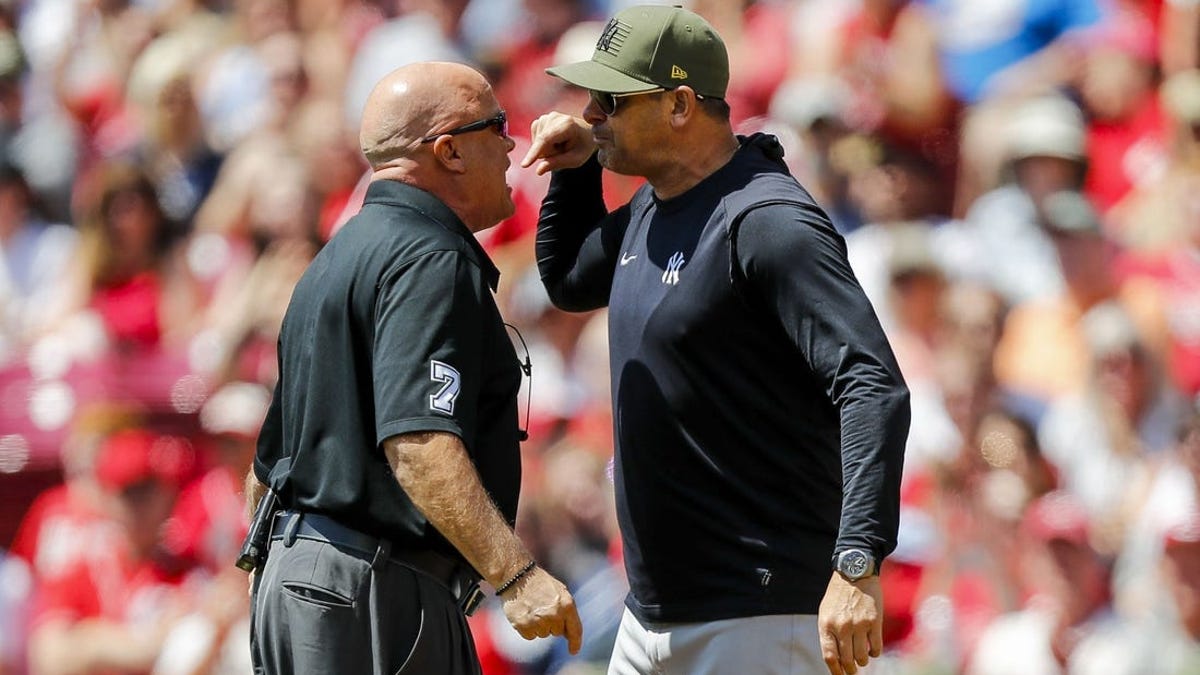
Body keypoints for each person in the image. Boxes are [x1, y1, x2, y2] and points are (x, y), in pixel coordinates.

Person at [521, 6, 910, 675]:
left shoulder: (768, 221)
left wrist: (856, 560)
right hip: (655, 611)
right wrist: (579, 169)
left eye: (611, 100)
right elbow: (571, 279)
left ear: (678, 105)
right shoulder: (658, 198)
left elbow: (872, 384)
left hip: (758, 615)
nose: (591, 115)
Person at [246, 61, 581, 675]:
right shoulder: (431, 259)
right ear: (449, 151)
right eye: (496, 125)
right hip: (372, 588)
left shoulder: (335, 257)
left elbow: (267, 468)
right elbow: (419, 441)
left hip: (305, 583)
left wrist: (288, 584)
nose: (510, 143)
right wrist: (516, 575)